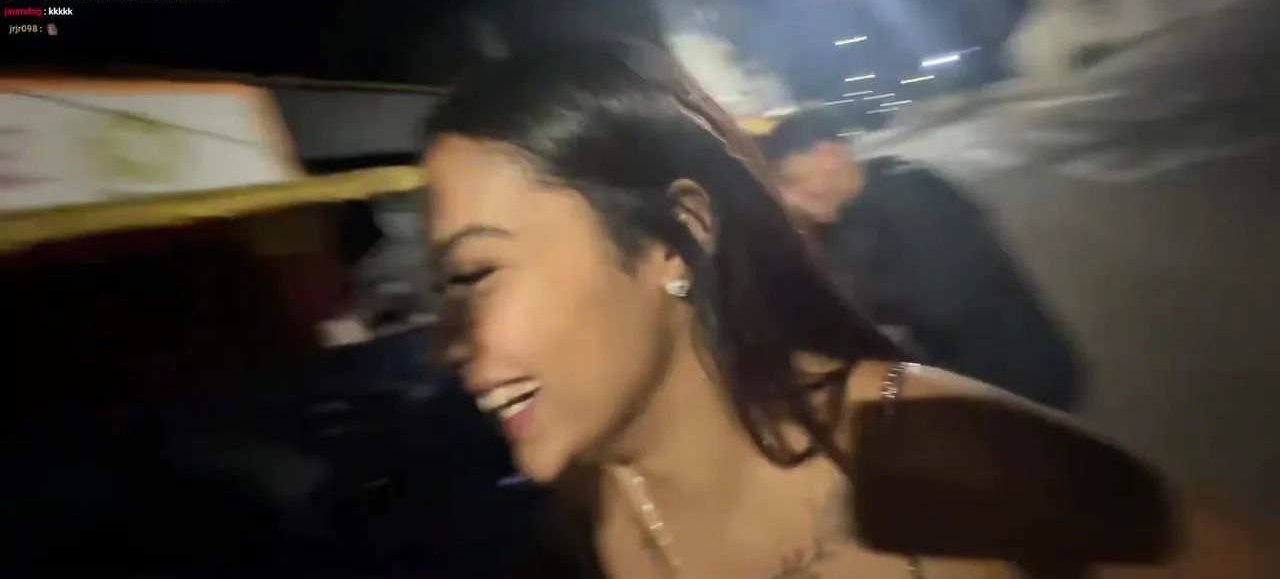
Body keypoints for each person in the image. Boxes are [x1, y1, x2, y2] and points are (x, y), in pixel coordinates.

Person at [418, 38, 1271, 578]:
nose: (447, 347)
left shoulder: (937, 452)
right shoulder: (571, 531)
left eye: (477, 273)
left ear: (673, 240)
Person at [760, 109, 1081, 411]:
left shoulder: (915, 197)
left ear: (829, 155)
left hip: (1021, 376)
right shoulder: (845, 219)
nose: (792, 200)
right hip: (972, 385)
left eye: (794, 179)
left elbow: (943, 302)